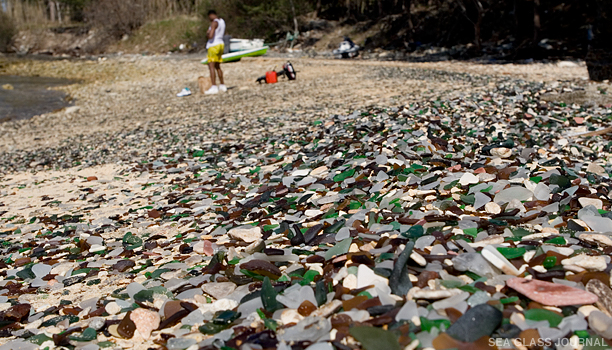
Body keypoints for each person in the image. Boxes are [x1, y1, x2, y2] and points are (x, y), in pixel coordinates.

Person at [204, 10, 226, 95]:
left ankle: (214, 86)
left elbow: (210, 36)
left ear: (210, 15)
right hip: (221, 44)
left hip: (213, 45)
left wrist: (207, 34)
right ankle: (222, 84)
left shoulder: (214, 23)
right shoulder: (222, 21)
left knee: (211, 66)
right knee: (218, 66)